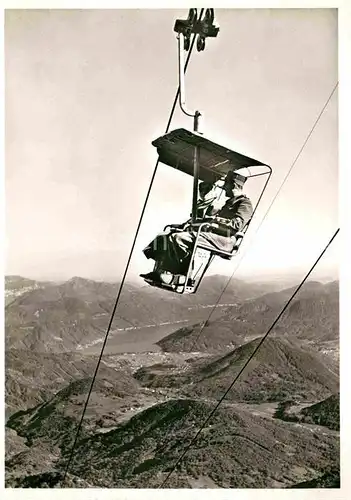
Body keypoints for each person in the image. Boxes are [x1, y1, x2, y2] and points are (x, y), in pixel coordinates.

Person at [140, 172, 253, 284]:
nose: (224, 188)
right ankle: (161, 271)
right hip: (215, 235)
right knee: (164, 237)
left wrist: (215, 220)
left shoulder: (244, 203)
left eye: (226, 185)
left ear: (233, 185)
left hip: (225, 239)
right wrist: (186, 224)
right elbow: (210, 219)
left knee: (179, 238)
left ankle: (183, 275)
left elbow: (237, 225)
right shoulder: (229, 203)